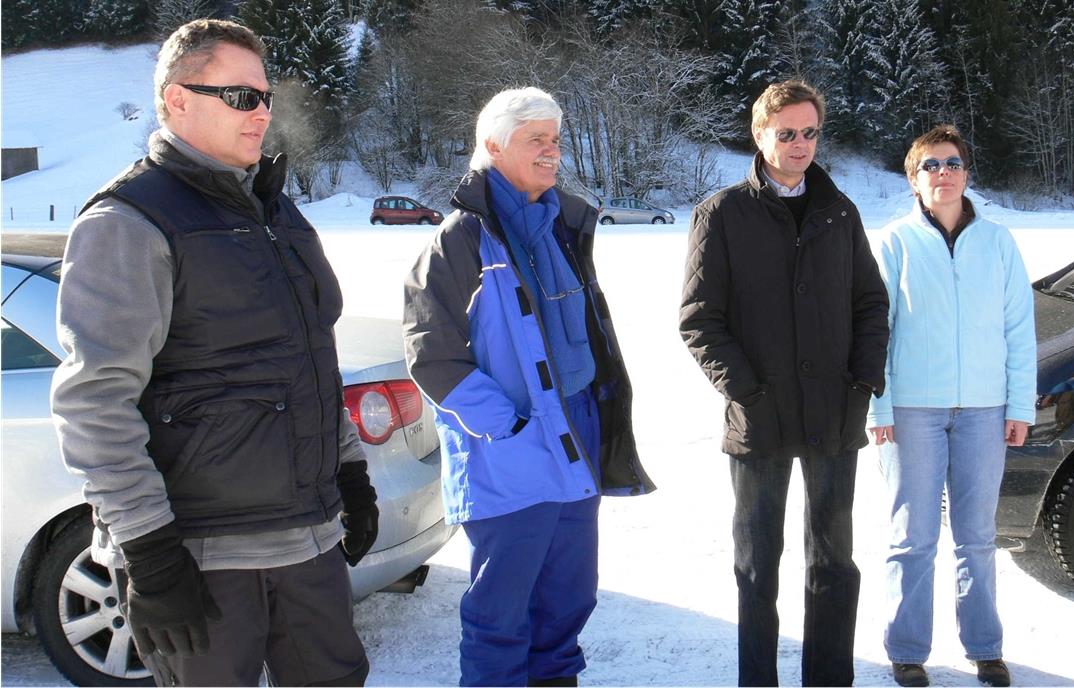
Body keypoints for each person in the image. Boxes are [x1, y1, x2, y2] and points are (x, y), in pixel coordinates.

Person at [50, 19, 375, 686]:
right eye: (240, 96)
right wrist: (149, 552)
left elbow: (312, 360)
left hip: (308, 548)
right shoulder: (130, 222)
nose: (261, 112)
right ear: (178, 100)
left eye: (265, 96)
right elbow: (94, 403)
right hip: (204, 561)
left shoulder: (276, 213)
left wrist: (350, 474)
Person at [402, 86, 654, 687]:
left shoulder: (564, 225)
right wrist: (505, 425)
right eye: (535, 139)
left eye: (556, 139)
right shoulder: (458, 241)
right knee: (501, 614)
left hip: (577, 433)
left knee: (568, 600)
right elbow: (431, 353)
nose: (551, 151)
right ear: (492, 146)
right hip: (509, 448)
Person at [679, 79, 889, 687]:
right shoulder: (721, 213)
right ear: (760, 134)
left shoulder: (839, 211)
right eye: (787, 132)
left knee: (832, 563)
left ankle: (828, 679)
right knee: (756, 567)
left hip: (833, 413)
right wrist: (748, 392)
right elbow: (699, 320)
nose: (801, 144)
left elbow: (871, 305)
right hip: (760, 417)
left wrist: (862, 383)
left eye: (811, 132)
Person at [865, 125, 1036, 688]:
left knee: (977, 535)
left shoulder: (999, 242)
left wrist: (1019, 405)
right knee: (912, 536)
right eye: (930, 165)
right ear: (914, 181)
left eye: (953, 163)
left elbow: (1018, 330)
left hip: (985, 410)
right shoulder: (894, 243)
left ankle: (985, 647)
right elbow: (875, 333)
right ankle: (908, 650)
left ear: (967, 173)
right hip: (913, 409)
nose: (943, 173)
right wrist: (880, 409)